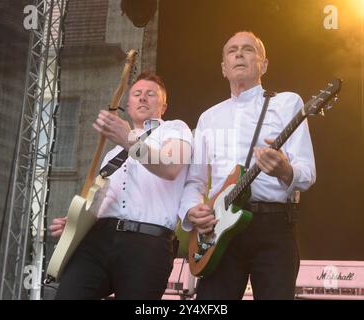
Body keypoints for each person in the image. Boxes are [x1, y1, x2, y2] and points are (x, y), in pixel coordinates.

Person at [179, 31, 316, 300]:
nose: (239, 54)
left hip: (273, 224)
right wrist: (191, 210)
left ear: (263, 65)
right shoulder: (208, 118)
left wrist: (284, 170)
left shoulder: (288, 103)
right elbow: (195, 181)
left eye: (248, 49)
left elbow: (307, 172)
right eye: (232, 51)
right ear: (223, 68)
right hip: (219, 230)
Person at [50, 71, 192, 299]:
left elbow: (170, 166)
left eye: (151, 94)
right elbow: (99, 204)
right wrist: (76, 223)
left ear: (164, 106)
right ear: (128, 104)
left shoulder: (174, 129)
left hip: (147, 243)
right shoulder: (112, 154)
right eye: (137, 94)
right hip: (98, 240)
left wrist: (128, 139)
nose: (143, 98)